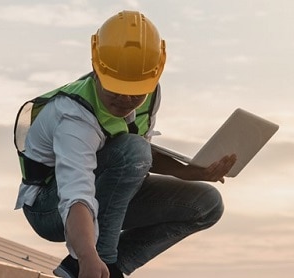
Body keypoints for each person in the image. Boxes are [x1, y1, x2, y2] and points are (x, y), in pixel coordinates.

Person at [13, 10, 236, 278]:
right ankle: (95, 261)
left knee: (206, 204)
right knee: (132, 151)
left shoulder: (150, 93)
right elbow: (77, 194)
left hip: (104, 192)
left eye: (136, 92)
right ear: (97, 67)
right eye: (116, 89)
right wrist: (87, 255)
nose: (126, 99)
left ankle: (111, 269)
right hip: (50, 207)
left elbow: (139, 155)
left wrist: (192, 172)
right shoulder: (74, 116)